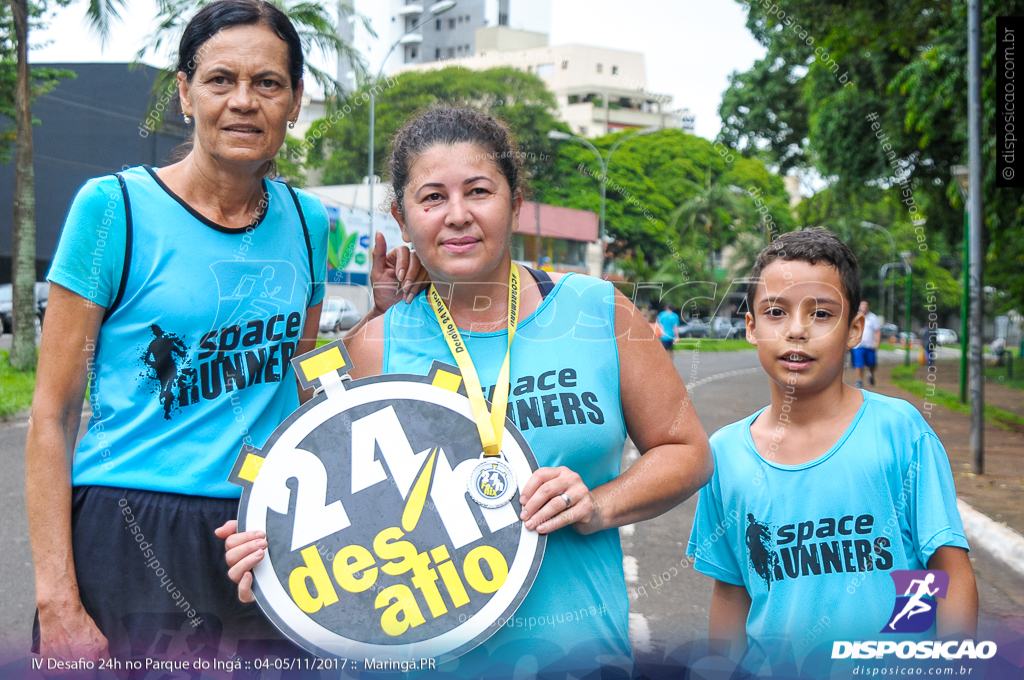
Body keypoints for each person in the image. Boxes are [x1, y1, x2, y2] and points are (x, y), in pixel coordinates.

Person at [223, 107, 714, 678]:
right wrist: (269, 560)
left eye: (478, 191)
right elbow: (311, 507)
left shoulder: (599, 311)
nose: (458, 216)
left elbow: (687, 452)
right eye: (432, 198)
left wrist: (599, 505)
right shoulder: (372, 345)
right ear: (402, 221)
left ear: (515, 202)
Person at [21, 0, 410, 663]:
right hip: (130, 527)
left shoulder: (309, 223)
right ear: (185, 93)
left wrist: (379, 322)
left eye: (267, 83)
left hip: (267, 529)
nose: (243, 101)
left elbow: (295, 381)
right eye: (220, 79)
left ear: (294, 101)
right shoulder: (112, 209)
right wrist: (57, 597)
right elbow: (52, 414)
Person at [686, 228, 977, 673]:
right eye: (776, 312)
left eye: (821, 314)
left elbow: (948, 571)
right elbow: (731, 591)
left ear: (854, 329)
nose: (797, 330)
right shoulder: (725, 455)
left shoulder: (899, 432)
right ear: (751, 327)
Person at [851, 299, 880, 387]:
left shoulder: (873, 317)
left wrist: (877, 342)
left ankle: (871, 375)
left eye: (866, 305)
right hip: (858, 345)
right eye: (862, 305)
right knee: (858, 364)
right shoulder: (855, 316)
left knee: (871, 363)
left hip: (870, 345)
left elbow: (877, 331)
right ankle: (859, 380)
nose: (864, 307)